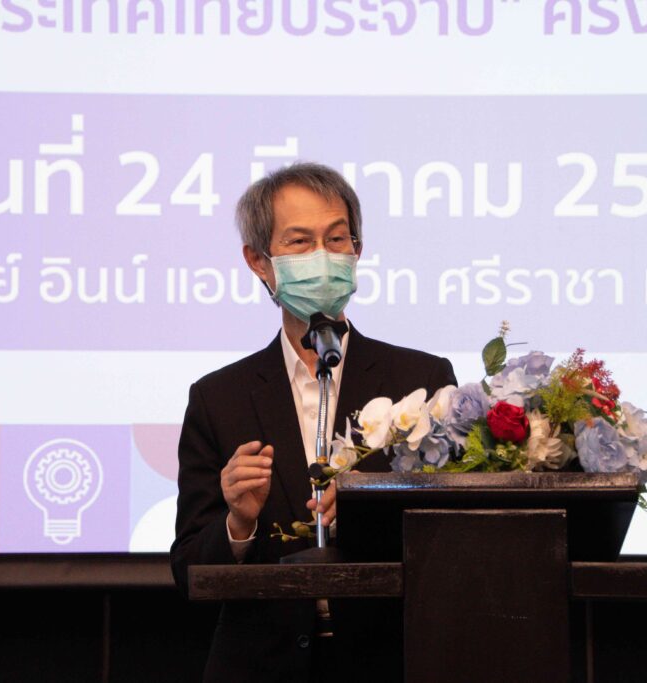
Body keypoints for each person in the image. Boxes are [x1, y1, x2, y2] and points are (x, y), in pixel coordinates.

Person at [170, 162, 456, 682]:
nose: (323, 257)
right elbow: (188, 568)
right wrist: (238, 524)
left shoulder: (422, 380)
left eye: (336, 239)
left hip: (387, 661)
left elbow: (452, 542)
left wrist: (371, 515)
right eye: (300, 242)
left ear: (357, 251)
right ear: (259, 261)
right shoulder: (218, 398)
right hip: (261, 667)